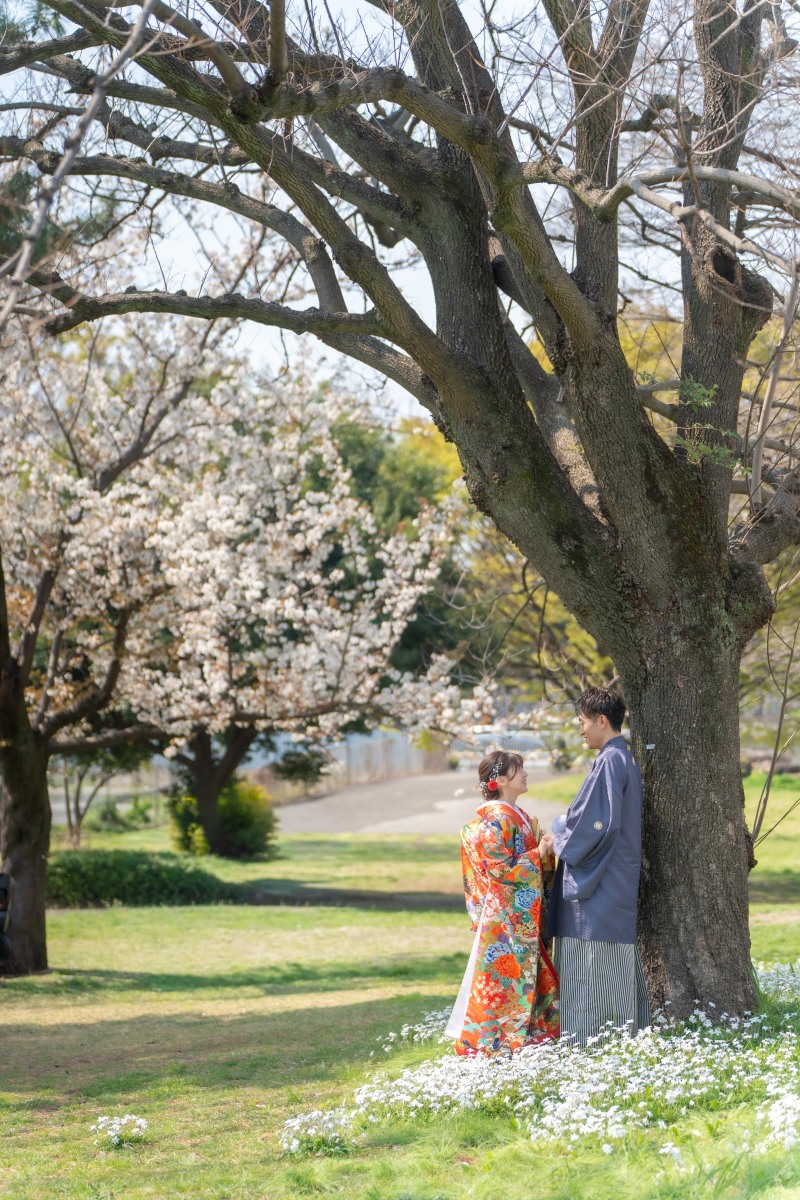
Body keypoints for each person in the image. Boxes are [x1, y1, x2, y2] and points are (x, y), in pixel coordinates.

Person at [546, 686, 650, 1046]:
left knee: (590, 962)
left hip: (601, 881)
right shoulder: (623, 758)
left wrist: (559, 836)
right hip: (616, 875)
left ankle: (591, 1042)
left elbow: (597, 824)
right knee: (610, 964)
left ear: (601, 721)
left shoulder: (610, 761)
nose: (580, 730)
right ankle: (619, 1036)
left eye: (583, 722)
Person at [446, 750, 559, 1055]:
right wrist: (538, 854)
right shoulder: (496, 820)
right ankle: (500, 1040)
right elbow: (499, 870)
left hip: (519, 911)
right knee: (507, 980)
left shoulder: (513, 816)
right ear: (502, 780)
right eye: (519, 769)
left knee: (522, 976)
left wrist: (543, 853)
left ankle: (529, 1034)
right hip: (506, 915)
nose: (525, 773)